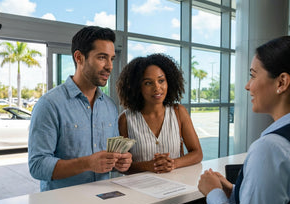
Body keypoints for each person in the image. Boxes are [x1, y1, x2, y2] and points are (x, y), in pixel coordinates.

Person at [198, 36, 290, 204]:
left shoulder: (272, 149)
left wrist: (214, 195)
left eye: (253, 75)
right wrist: (235, 191)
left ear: (282, 82)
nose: (248, 86)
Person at [28, 26, 132, 191]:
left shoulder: (110, 106)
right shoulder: (49, 104)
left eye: (111, 58)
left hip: (104, 200)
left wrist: (120, 162)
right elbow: (37, 165)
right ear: (79, 57)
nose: (109, 66)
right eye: (102, 57)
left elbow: (109, 161)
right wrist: (87, 163)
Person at [117, 53, 203, 174]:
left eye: (161, 80)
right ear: (137, 87)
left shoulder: (179, 112)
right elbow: (122, 166)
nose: (157, 88)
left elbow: (197, 153)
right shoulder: (125, 119)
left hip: (176, 186)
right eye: (148, 83)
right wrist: (148, 166)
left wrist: (173, 163)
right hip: (139, 189)